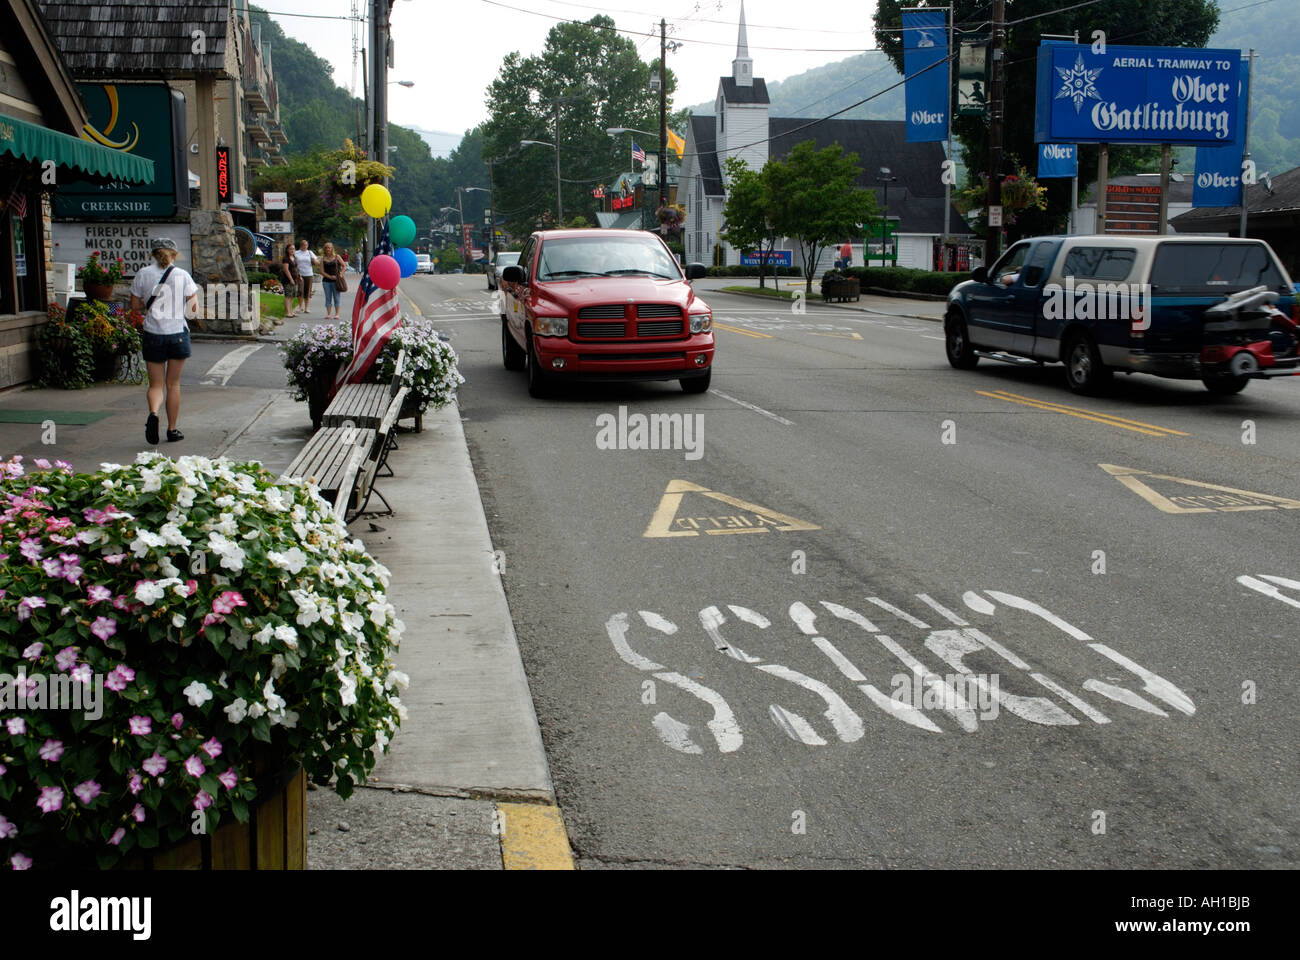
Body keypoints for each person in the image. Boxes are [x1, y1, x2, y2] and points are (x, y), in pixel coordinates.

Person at [129, 238, 198, 445]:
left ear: (153, 254)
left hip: (153, 333)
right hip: (177, 332)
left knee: (156, 385)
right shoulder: (182, 275)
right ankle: (172, 429)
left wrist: (147, 311)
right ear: (174, 255)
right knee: (173, 384)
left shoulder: (143, 274)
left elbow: (134, 306)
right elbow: (193, 308)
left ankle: (153, 413)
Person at [319, 241, 346, 320]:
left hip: (336, 281)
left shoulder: (337, 257)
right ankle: (328, 314)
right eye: (326, 248)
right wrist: (330, 277)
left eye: (329, 247)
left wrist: (340, 273)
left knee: (336, 297)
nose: (328, 249)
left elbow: (344, 266)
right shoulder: (322, 258)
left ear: (332, 249)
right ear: (324, 249)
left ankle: (337, 314)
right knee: (328, 297)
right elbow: (321, 271)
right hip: (326, 281)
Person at [293, 239, 320, 314]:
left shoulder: (310, 253)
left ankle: (306, 308)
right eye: (303, 245)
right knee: (300, 291)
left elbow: (318, 262)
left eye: (306, 245)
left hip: (309, 274)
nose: (305, 246)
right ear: (300, 245)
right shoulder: (296, 253)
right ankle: (300, 307)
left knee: (308, 291)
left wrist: (314, 260)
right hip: (300, 274)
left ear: (307, 246)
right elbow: (293, 262)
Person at [279, 245, 300, 317]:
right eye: (290, 249)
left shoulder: (295, 258)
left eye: (293, 249)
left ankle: (291, 311)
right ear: (287, 250)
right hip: (288, 280)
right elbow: (286, 270)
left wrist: (299, 276)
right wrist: (291, 279)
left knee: (292, 296)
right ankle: (287, 312)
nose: (292, 250)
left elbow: (296, 269)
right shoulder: (286, 259)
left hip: (295, 279)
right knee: (288, 295)